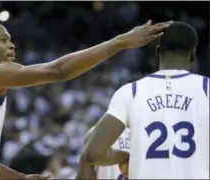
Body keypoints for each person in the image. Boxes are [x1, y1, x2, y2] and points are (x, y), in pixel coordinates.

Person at [0, 20, 171, 179]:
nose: (11, 44)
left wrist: (22, 178)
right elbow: (58, 71)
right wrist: (119, 42)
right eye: (3, 39)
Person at [78, 21, 209, 179]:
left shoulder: (131, 92)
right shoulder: (206, 88)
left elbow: (93, 153)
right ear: (193, 55)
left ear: (158, 52)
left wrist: (123, 157)